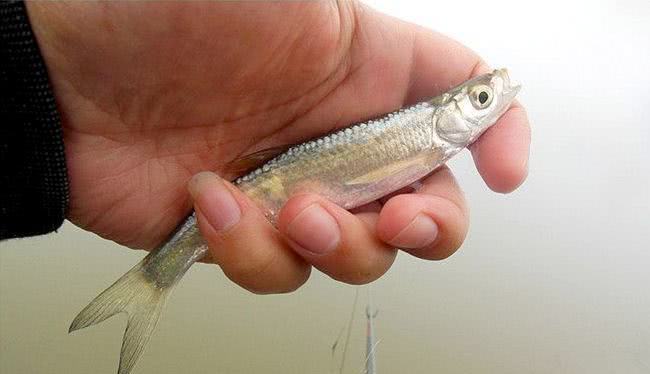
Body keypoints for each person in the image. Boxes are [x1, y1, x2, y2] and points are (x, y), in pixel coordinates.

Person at [1, 1, 530, 294]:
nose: (488, 101)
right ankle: (155, 278)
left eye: (481, 99)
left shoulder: (431, 141)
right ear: (452, 113)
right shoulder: (430, 137)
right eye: (482, 98)